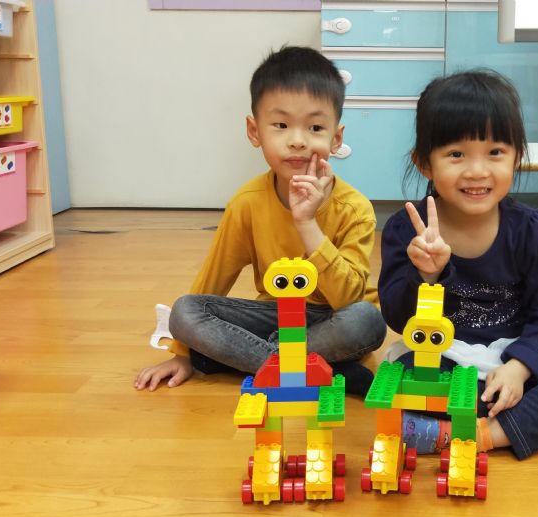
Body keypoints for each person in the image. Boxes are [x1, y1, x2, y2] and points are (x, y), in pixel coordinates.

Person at [378, 70, 538, 460]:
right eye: (456, 154)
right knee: (407, 381)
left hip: (518, 356)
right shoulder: (406, 229)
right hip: (445, 357)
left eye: (495, 152)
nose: (477, 171)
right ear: (424, 163)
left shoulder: (531, 229)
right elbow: (398, 319)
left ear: (516, 157)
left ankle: (484, 434)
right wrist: (427, 276)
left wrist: (519, 368)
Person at [135, 46, 386, 396]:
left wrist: (307, 223)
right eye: (281, 125)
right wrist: (184, 353)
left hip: (331, 319)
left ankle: (250, 361)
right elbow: (214, 279)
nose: (297, 141)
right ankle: (317, 371)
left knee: (367, 320)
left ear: (336, 138)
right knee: (185, 312)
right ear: (254, 132)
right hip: (276, 317)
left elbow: (348, 298)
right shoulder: (247, 202)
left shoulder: (355, 208)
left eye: (315, 127)